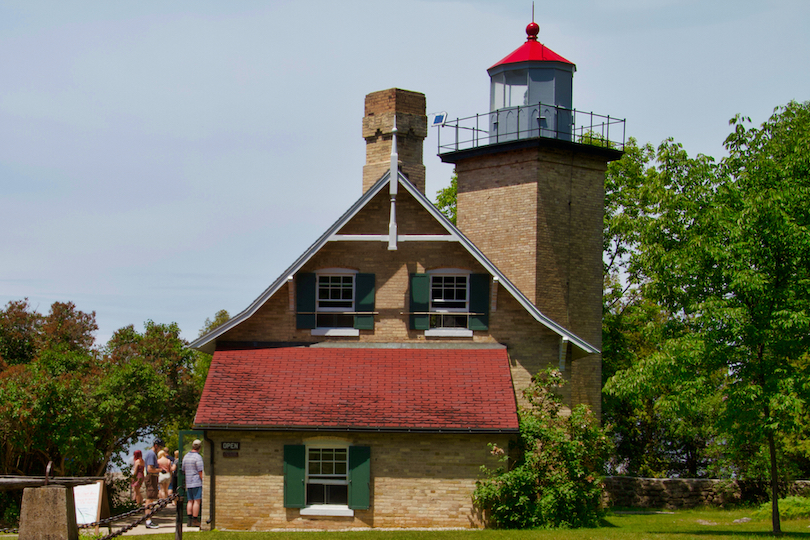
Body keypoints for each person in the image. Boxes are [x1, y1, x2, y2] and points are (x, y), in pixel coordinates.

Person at [182, 439, 204, 528]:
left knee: (189, 501)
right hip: (196, 482)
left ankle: (189, 520)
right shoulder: (198, 457)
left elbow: (183, 469)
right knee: (197, 501)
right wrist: (203, 481)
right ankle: (195, 520)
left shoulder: (186, 456)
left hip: (188, 482)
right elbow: (200, 471)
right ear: (200, 447)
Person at [143, 438, 163, 530]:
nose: (160, 449)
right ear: (156, 446)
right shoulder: (151, 454)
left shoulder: (151, 454)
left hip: (153, 477)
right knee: (149, 499)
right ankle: (148, 521)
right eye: (160, 447)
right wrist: (160, 470)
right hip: (151, 477)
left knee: (151, 499)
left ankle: (149, 519)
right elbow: (150, 469)